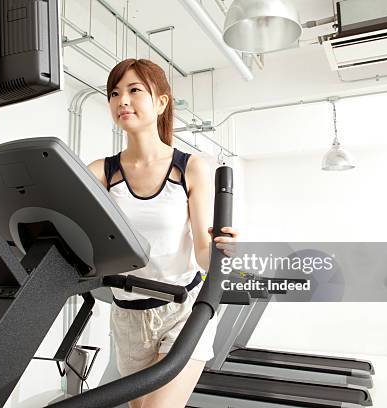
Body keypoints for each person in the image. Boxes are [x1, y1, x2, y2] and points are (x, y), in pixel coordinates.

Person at [87, 58, 238, 408]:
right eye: (114, 93)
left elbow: (203, 252)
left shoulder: (190, 168)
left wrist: (222, 250)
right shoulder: (102, 173)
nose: (122, 100)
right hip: (128, 316)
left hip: (182, 310)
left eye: (134, 90)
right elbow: (53, 194)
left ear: (161, 102)